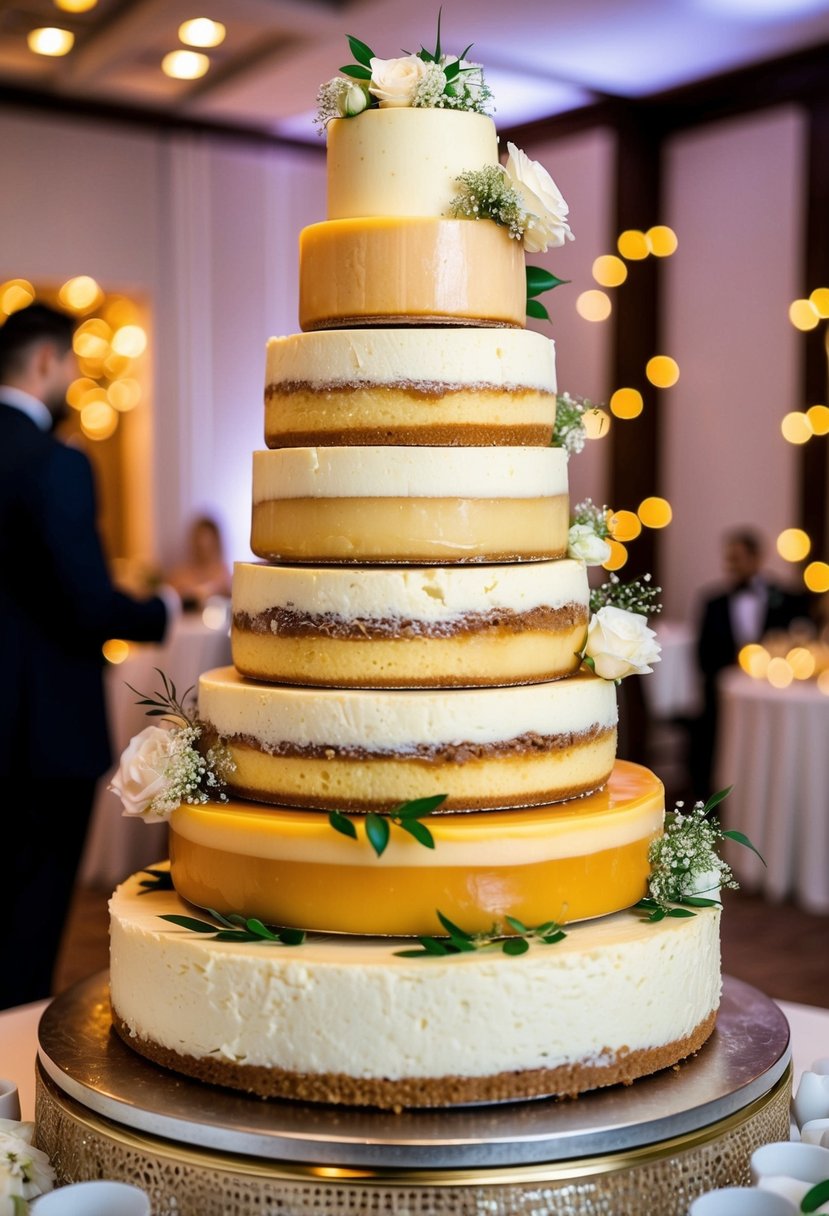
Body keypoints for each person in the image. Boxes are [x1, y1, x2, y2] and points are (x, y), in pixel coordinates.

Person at [0, 302, 180, 1010]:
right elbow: (87, 606)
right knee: (28, 932)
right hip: (40, 740)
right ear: (46, 362)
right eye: (71, 365)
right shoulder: (57, 463)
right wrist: (165, 607)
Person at [689, 526, 812, 801]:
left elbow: (799, 644)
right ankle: (713, 802)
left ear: (757, 558)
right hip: (722, 697)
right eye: (728, 558)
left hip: (773, 692)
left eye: (738, 557)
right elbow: (702, 657)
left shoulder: (788, 598)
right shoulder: (712, 602)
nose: (731, 565)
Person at [166, 513, 232, 611]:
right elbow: (170, 596)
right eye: (200, 539)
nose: (203, 544)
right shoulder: (181, 572)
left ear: (215, 542)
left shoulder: (224, 573)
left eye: (207, 540)